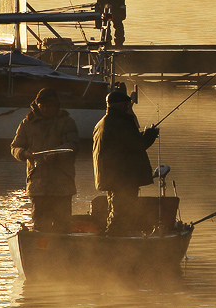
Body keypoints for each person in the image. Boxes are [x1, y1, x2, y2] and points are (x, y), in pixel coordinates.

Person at [11, 88, 79, 233]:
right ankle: (40, 254)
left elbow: (72, 145)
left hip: (62, 185)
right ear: (37, 105)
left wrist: (56, 154)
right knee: (41, 227)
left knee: (63, 227)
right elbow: (15, 147)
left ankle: (64, 253)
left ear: (56, 106)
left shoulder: (67, 122)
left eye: (50, 106)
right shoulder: (27, 123)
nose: (46, 109)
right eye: (43, 106)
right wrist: (24, 154)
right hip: (38, 186)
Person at [92, 90, 160, 236]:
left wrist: (143, 134)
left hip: (111, 175)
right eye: (127, 105)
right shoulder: (120, 123)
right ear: (123, 106)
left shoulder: (103, 122)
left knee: (116, 209)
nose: (129, 108)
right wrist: (150, 135)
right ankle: (114, 240)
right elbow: (137, 145)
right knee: (122, 212)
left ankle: (113, 238)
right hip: (123, 177)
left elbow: (125, 143)